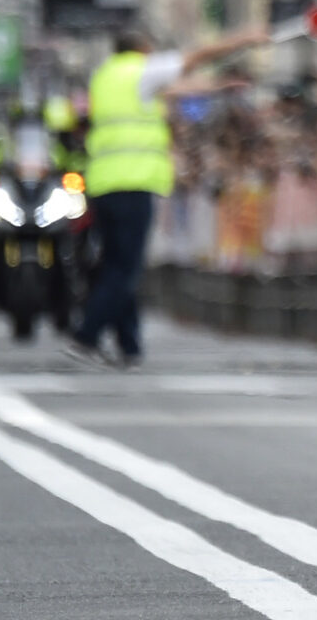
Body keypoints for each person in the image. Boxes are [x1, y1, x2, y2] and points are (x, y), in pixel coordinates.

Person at [62, 23, 268, 368]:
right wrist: (245, 39)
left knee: (116, 263)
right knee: (124, 268)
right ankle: (86, 334)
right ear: (142, 48)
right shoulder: (142, 69)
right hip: (133, 181)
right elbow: (197, 58)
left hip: (103, 182)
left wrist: (217, 87)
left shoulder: (107, 77)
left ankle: (130, 346)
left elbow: (176, 91)